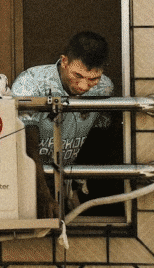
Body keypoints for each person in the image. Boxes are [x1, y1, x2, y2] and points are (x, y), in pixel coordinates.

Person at [12, 31, 115, 215]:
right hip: (30, 175)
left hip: (71, 177)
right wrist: (42, 195)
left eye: (93, 78)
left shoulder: (104, 87)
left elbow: (98, 139)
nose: (83, 86)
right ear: (64, 61)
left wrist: (78, 185)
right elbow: (26, 142)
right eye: (77, 75)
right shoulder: (31, 82)